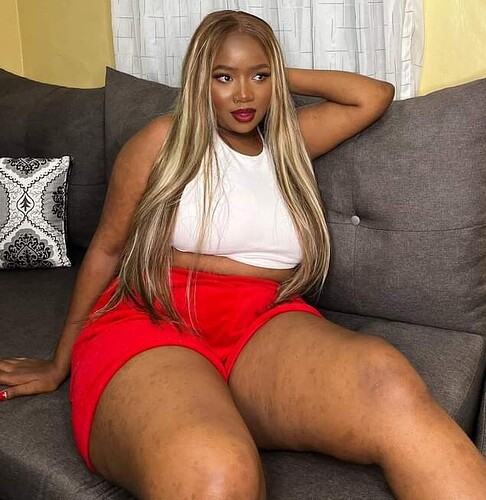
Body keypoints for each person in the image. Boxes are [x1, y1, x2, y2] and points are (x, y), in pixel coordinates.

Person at [1, 9, 486, 500]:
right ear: (199, 80)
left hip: (264, 321)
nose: (243, 95)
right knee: (216, 471)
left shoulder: (286, 143)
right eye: (223, 77)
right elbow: (107, 250)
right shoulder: (160, 142)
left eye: (258, 76)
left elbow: (372, 95)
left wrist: (274, 72)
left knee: (386, 383)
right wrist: (59, 361)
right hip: (154, 316)